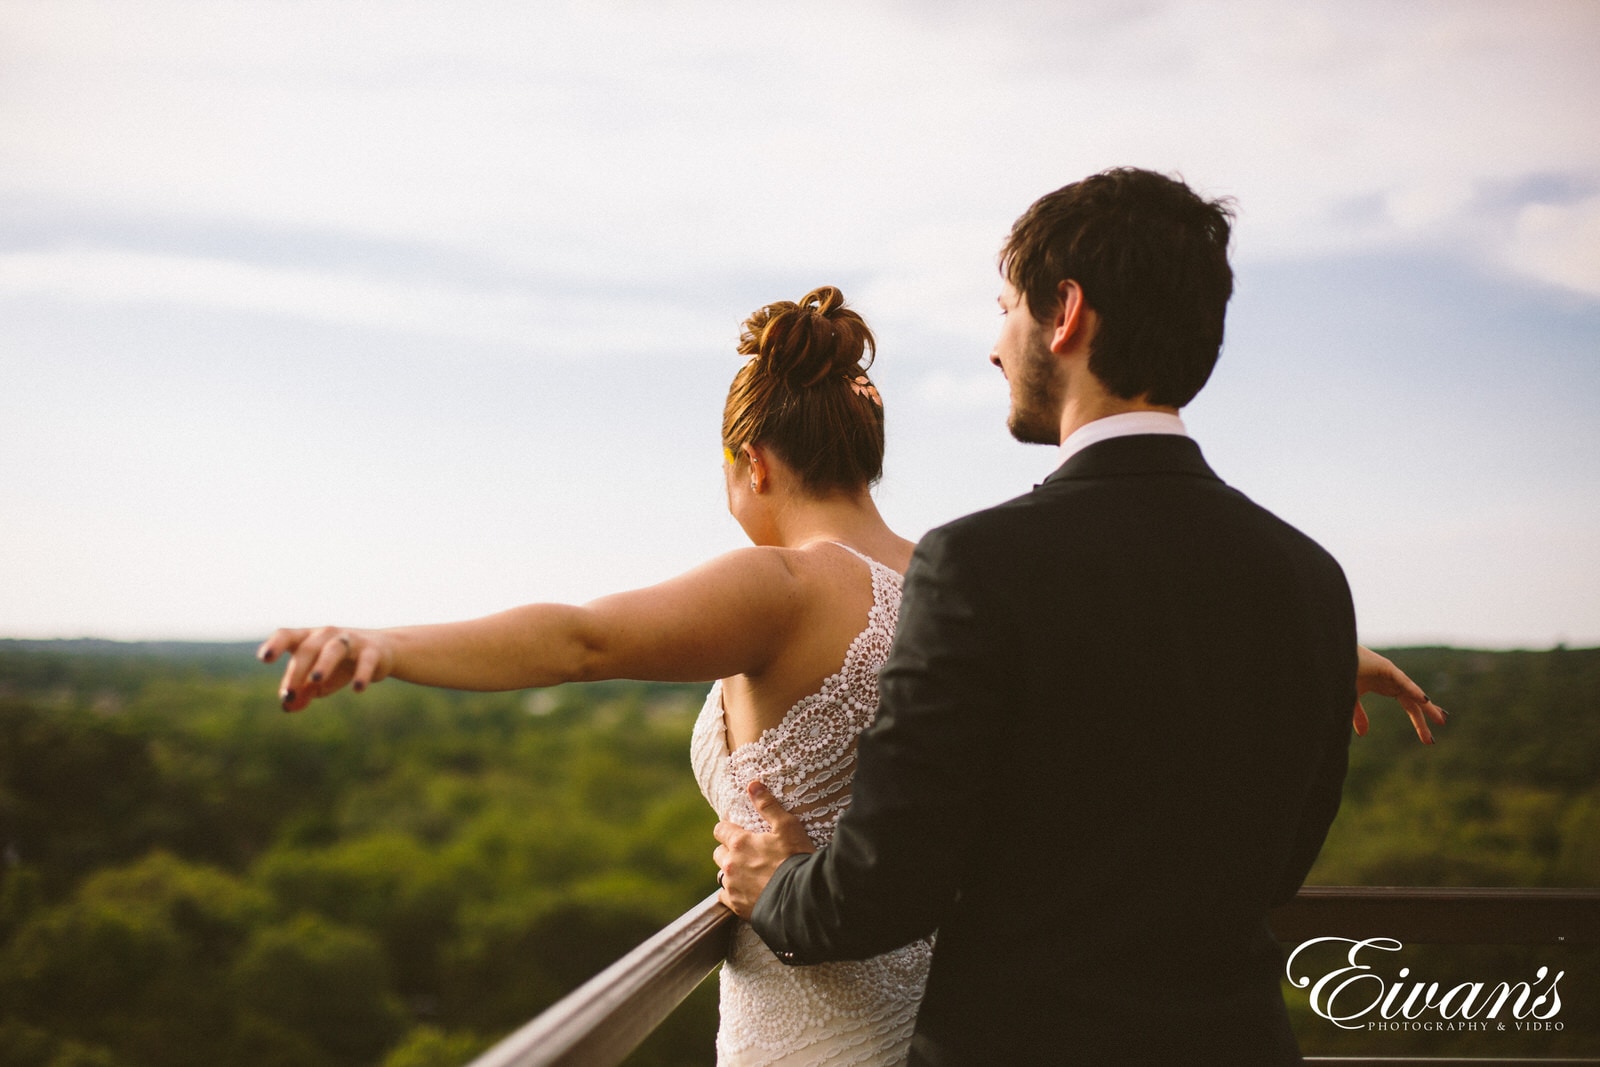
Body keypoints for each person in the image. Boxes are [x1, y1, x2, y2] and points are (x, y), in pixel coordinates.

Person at [713, 169, 1448, 1066]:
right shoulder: (1310, 577)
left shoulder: (979, 566)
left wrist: (778, 880)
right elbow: (1280, 868)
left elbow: (882, 890)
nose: (995, 346)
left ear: (1064, 313)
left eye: (1005, 308)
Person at [259, 286, 933, 1065]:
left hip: (813, 1029)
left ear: (750, 461)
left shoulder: (785, 584)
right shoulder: (944, 583)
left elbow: (583, 641)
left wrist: (388, 643)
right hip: (934, 1013)